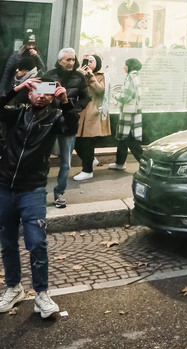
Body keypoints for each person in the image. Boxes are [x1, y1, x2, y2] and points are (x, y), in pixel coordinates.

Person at [0, 75, 78, 316]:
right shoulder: (17, 114)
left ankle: (42, 294)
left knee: (37, 243)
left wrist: (66, 103)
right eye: (36, 90)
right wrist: (16, 89)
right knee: (8, 242)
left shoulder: (55, 118)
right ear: (30, 93)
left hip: (32, 190)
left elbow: (72, 127)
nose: (41, 96)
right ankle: (14, 288)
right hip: (4, 188)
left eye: (47, 91)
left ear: (52, 94)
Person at [42, 48, 90, 208]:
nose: (71, 63)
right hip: (49, 122)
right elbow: (41, 97)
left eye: (73, 59)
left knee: (66, 162)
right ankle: (39, 193)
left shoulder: (79, 77)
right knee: (42, 159)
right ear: (60, 61)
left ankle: (59, 193)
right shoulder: (50, 75)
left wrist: (76, 110)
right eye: (67, 60)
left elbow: (85, 97)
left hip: (69, 122)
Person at [73, 54, 111, 181]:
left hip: (94, 112)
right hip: (81, 111)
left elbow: (101, 92)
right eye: (87, 61)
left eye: (91, 61)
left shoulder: (102, 76)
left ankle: (87, 170)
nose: (88, 63)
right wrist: (78, 75)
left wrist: (91, 77)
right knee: (76, 141)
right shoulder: (81, 73)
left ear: (97, 63)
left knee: (88, 142)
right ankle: (91, 161)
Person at [109, 58, 143, 170]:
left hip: (129, 113)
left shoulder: (130, 77)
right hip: (134, 112)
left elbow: (126, 96)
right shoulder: (136, 76)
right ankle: (120, 162)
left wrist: (115, 95)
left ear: (130, 66)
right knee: (123, 139)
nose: (124, 67)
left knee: (130, 140)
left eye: (126, 65)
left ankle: (145, 163)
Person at [0, 30, 45, 97]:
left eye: (33, 45)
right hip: (16, 88)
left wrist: (37, 56)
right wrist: (2, 93)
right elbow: (6, 75)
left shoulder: (37, 56)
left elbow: (43, 69)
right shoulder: (15, 56)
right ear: (25, 44)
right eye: (29, 45)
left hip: (31, 90)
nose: (31, 47)